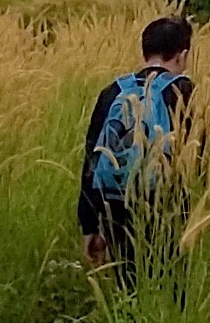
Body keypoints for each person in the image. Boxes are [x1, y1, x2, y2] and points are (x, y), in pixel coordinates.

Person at [78, 15, 195, 285]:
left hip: (116, 205)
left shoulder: (113, 91)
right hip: (167, 205)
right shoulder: (183, 90)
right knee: (171, 286)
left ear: (144, 51)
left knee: (128, 286)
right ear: (183, 54)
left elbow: (91, 160)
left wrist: (90, 225)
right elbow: (200, 152)